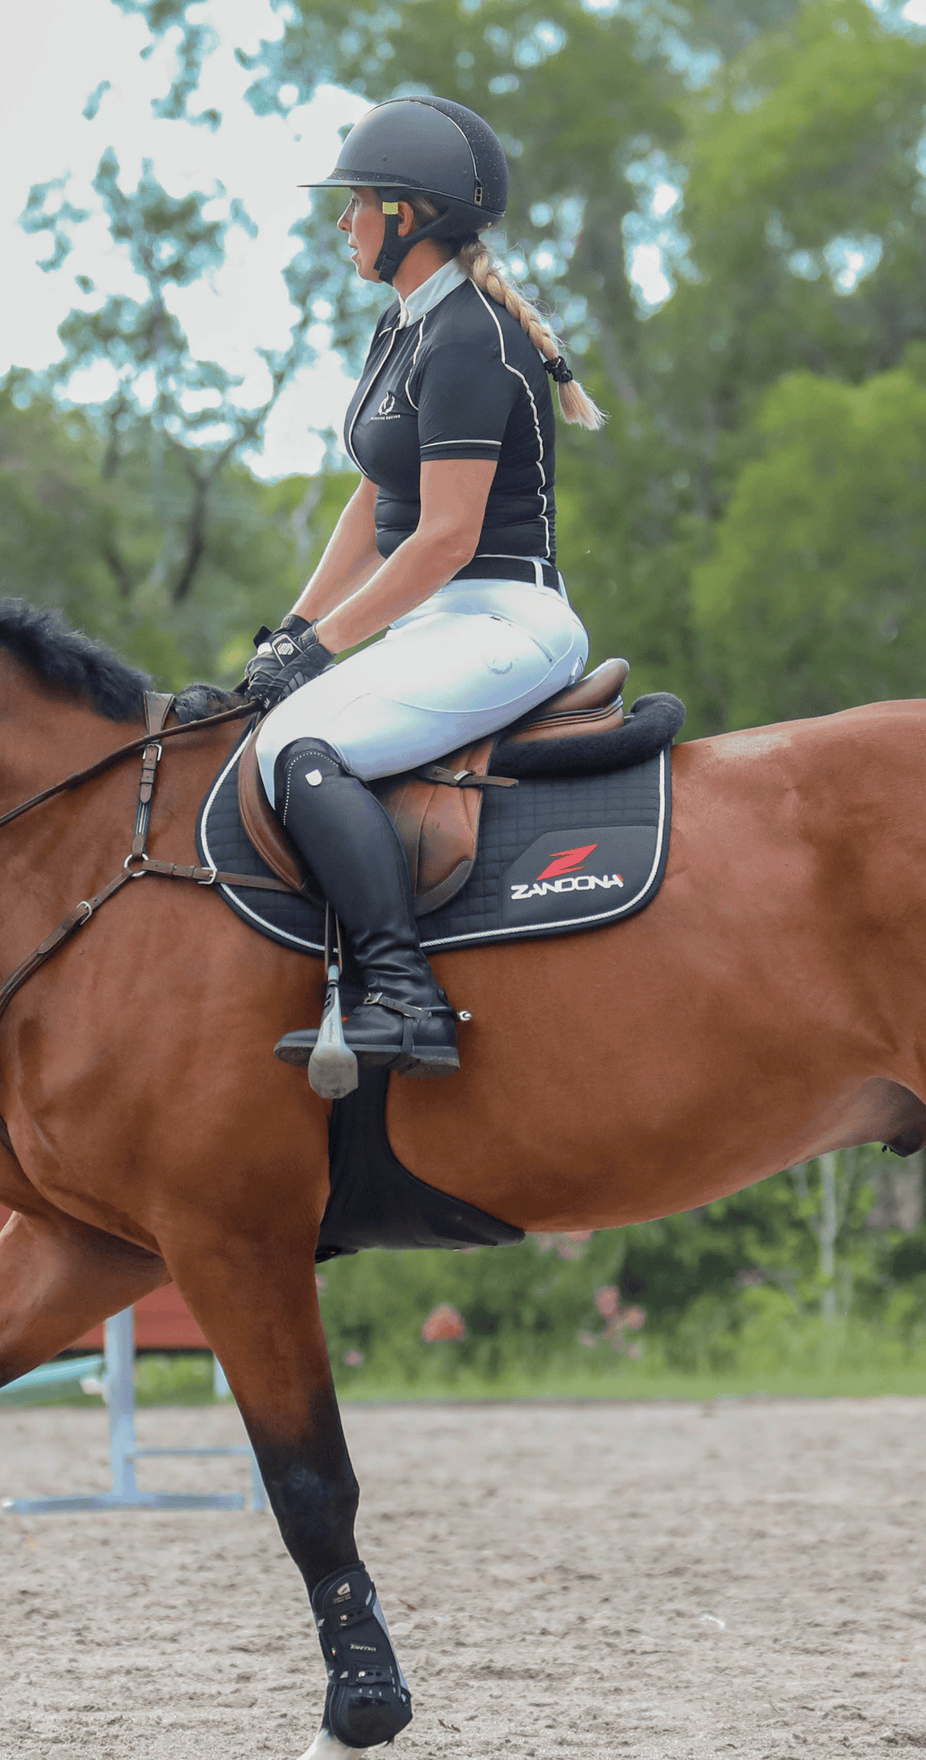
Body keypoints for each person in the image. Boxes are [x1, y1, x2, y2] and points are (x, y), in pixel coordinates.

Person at [247, 94, 606, 1079]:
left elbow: (444, 537)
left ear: (405, 214)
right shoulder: (401, 331)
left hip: (502, 615)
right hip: (437, 622)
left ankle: (405, 999)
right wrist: (290, 631)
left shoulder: (469, 341)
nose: (341, 224)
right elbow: (375, 500)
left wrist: (319, 656)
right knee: (263, 727)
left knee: (298, 748)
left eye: (354, 204)